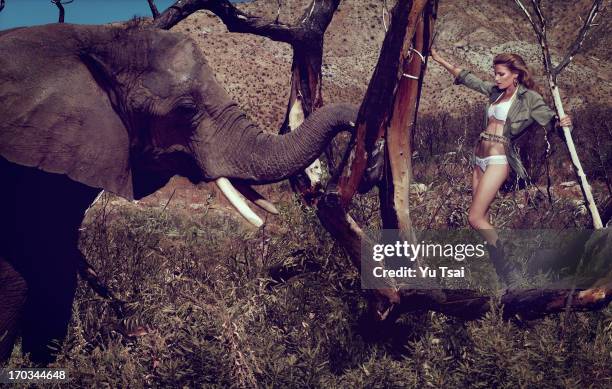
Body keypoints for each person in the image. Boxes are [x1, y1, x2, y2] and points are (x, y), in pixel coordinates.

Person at [430, 48, 572, 287]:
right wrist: (438, 58)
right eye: (495, 73)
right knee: (481, 220)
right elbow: (467, 78)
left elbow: (552, 123)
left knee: (475, 218)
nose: (496, 78)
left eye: (501, 74)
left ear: (515, 74)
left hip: (499, 160)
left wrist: (564, 123)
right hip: (479, 159)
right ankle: (501, 277)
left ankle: (511, 272)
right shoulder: (495, 93)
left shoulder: (530, 99)